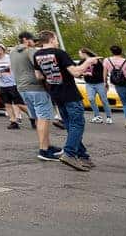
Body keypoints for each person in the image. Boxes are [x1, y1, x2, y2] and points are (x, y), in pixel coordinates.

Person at [33, 30, 99, 171]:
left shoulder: (37, 55)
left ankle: (83, 156)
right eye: (56, 39)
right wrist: (88, 62)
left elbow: (38, 76)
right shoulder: (59, 53)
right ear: (52, 39)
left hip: (55, 93)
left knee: (70, 125)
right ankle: (69, 153)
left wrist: (52, 75)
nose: (57, 42)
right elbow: (76, 72)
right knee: (77, 124)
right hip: (70, 93)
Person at [9, 31, 62, 160]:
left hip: (22, 88)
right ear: (26, 40)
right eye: (33, 40)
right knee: (44, 118)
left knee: (39, 118)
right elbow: (41, 66)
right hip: (36, 88)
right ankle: (44, 150)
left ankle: (47, 145)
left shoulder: (12, 52)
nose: (35, 43)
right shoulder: (30, 50)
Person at [0, 44, 27, 129]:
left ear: (1, 50)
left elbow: (11, 68)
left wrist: (0, 72)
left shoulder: (9, 58)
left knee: (20, 104)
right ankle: (13, 121)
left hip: (13, 84)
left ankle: (33, 118)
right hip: (2, 85)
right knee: (7, 104)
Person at [79, 48, 112, 124]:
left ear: (84, 53)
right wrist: (83, 74)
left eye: (80, 53)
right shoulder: (82, 62)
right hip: (89, 84)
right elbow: (79, 71)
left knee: (104, 100)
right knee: (91, 99)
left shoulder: (97, 61)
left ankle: (109, 117)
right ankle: (97, 116)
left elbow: (102, 73)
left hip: (99, 83)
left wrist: (105, 82)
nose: (79, 55)